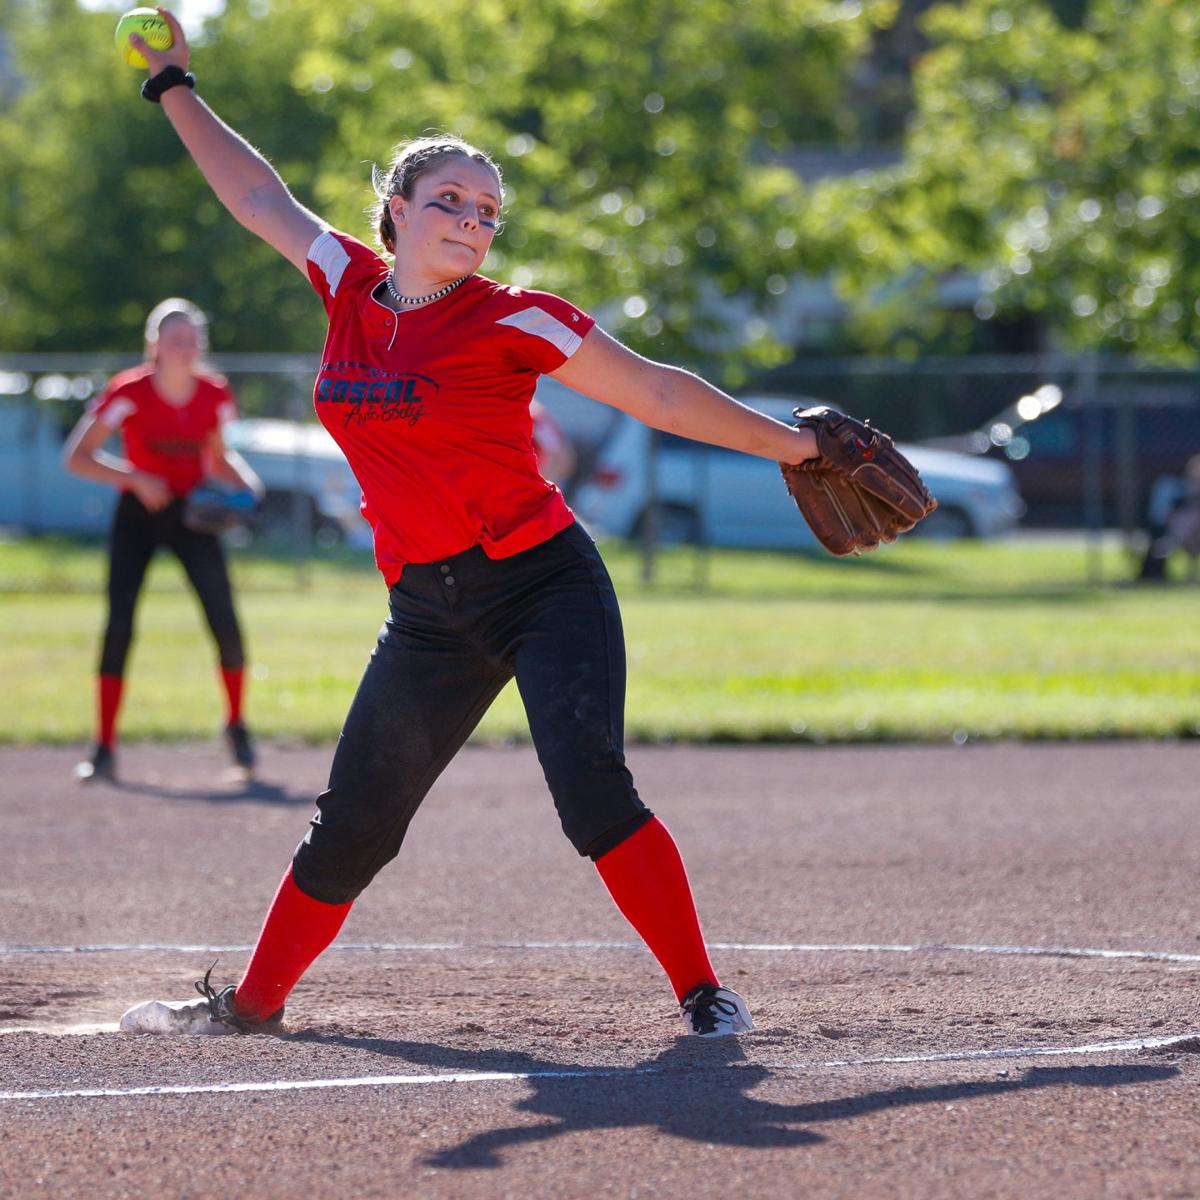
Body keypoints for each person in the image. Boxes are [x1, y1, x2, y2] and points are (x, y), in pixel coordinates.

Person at [117, 10, 821, 1039]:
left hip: (543, 583)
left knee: (591, 793)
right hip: (428, 608)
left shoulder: (513, 316)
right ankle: (252, 1006)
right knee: (354, 822)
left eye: (487, 211)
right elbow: (256, 195)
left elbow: (658, 395)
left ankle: (704, 994)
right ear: (393, 210)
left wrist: (800, 449)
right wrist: (172, 82)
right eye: (447, 199)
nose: (469, 220)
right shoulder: (347, 284)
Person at [63, 296, 263, 783]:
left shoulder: (214, 393)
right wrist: (134, 477)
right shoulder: (128, 390)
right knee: (120, 624)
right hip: (139, 513)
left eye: (192, 338)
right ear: (154, 344)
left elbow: (216, 459)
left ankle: (236, 725)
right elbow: (78, 456)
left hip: (191, 511)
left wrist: (249, 484)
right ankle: (104, 746)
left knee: (225, 619)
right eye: (175, 338)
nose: (186, 346)